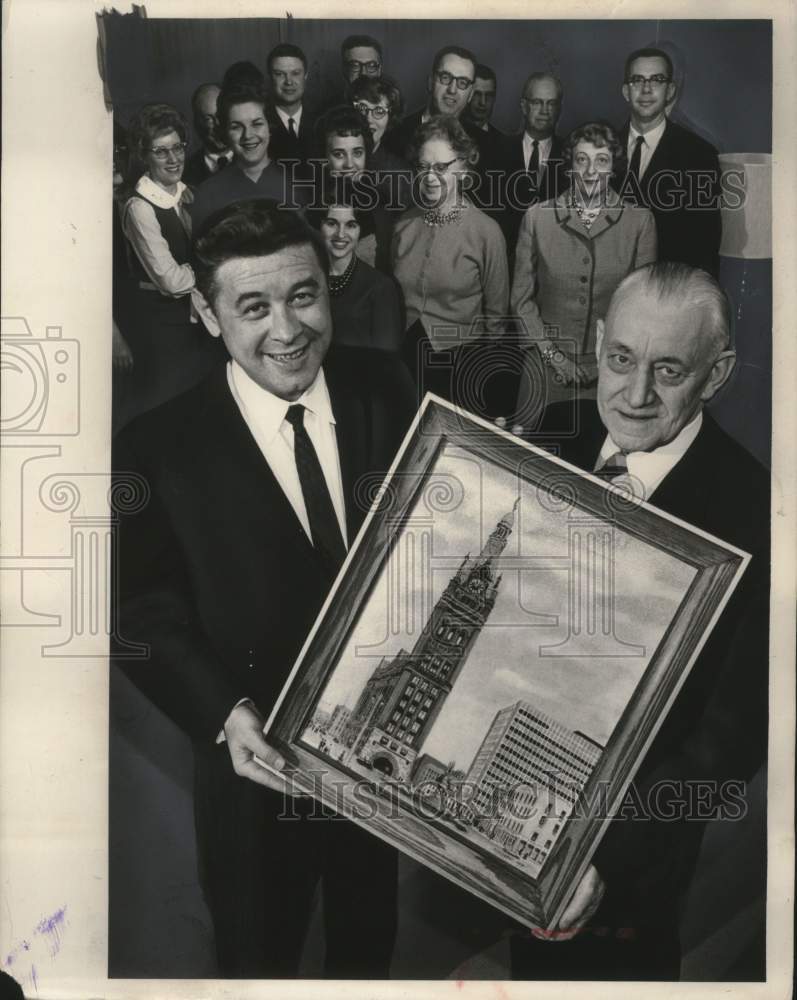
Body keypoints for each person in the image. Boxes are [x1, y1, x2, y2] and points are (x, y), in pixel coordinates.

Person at [113, 199, 417, 978]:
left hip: (377, 766)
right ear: (207, 314)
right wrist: (225, 714)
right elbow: (138, 611)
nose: (286, 330)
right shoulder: (155, 447)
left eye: (303, 296)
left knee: (367, 950)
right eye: (253, 307)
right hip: (251, 775)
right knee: (257, 960)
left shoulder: (386, 386)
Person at [512, 262, 769, 980]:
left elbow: (728, 740)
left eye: (669, 370)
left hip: (628, 859)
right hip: (513, 806)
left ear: (715, 375)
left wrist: (607, 857)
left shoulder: (758, 511)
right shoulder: (547, 436)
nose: (634, 394)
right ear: (598, 341)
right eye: (621, 359)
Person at [511, 121, 657, 410]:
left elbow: (642, 308)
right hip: (545, 361)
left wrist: (605, 361)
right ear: (570, 166)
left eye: (601, 161)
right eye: (582, 160)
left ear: (613, 167)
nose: (591, 171)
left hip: (612, 369)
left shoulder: (640, 222)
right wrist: (553, 356)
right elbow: (521, 302)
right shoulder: (538, 217)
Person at [392, 115, 510, 413]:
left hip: (460, 367)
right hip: (403, 361)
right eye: (423, 167)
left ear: (463, 168)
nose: (430, 177)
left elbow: (496, 323)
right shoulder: (404, 224)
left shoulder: (486, 232)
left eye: (441, 167)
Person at [117, 103, 223, 428]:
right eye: (161, 151)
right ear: (143, 155)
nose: (174, 158)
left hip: (197, 327)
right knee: (168, 416)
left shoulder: (190, 195)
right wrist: (213, 270)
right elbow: (171, 281)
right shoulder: (139, 207)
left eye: (177, 147)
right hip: (161, 331)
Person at [619, 47, 721, 277]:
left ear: (670, 90)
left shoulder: (700, 155)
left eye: (657, 80)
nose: (646, 89)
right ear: (626, 91)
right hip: (607, 292)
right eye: (637, 80)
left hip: (668, 288)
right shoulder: (601, 147)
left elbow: (705, 246)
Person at [191, 83, 304, 231]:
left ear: (269, 127)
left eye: (257, 124)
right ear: (225, 132)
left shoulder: (297, 185)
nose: (248, 135)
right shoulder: (206, 194)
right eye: (236, 127)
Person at [309, 192, 403, 351]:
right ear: (320, 225)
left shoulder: (380, 287)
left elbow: (387, 358)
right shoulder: (307, 279)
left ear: (360, 230)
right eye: (331, 223)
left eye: (351, 225)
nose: (340, 234)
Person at [496, 72, 568, 255]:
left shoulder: (571, 157)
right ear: (524, 106)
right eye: (537, 102)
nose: (544, 110)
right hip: (504, 257)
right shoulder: (497, 150)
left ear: (559, 109)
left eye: (551, 103)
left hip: (554, 259)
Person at [384, 45, 479, 159]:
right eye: (445, 77)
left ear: (471, 94)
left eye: (463, 82)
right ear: (430, 82)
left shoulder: (486, 144)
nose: (452, 90)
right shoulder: (395, 135)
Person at [265, 43, 316, 167]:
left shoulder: (320, 119)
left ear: (306, 75)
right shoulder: (261, 122)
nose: (288, 81)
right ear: (270, 77)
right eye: (279, 74)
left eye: (295, 73)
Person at [183, 83, 232, 186]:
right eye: (208, 119)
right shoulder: (184, 174)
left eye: (221, 115)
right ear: (197, 124)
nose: (218, 125)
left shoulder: (253, 159)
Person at [462, 63, 502, 139]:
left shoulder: (501, 141)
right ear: (467, 94)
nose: (482, 102)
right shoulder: (450, 132)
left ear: (494, 98)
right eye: (477, 94)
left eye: (488, 95)